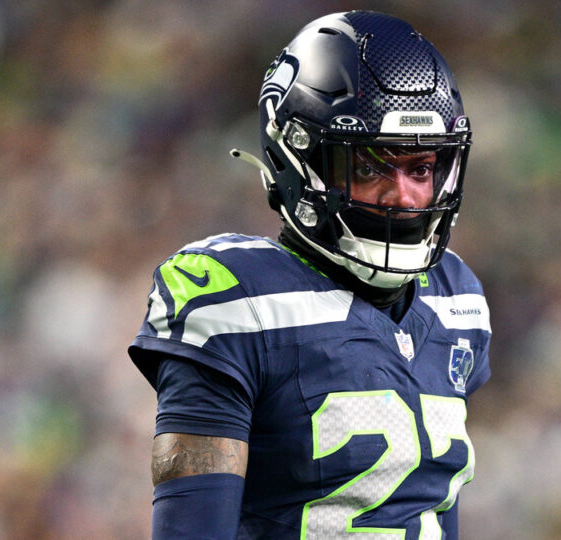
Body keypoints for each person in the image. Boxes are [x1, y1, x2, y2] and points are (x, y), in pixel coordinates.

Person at [129, 10, 491, 539]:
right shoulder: (234, 301)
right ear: (300, 158)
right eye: (370, 166)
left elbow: (433, 507)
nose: (405, 197)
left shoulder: (456, 298)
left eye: (421, 167)